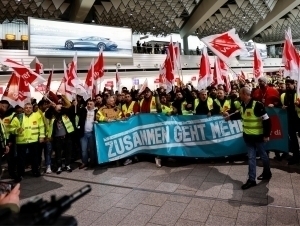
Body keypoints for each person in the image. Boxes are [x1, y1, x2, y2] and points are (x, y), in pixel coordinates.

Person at [224, 87, 272, 190]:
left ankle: (267, 172)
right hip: (248, 137)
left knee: (263, 156)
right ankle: (252, 180)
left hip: (258, 137)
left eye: (240, 94)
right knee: (251, 158)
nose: (239, 96)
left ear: (245, 94)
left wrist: (266, 135)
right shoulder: (243, 105)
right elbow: (240, 115)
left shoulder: (257, 105)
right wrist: (229, 118)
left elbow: (267, 120)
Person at [10, 103, 45, 182]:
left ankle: (35, 171)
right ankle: (20, 174)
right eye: (26, 108)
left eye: (30, 108)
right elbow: (10, 128)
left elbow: (41, 126)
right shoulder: (18, 117)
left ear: (32, 109)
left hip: (34, 140)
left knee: (34, 158)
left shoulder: (37, 116)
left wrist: (42, 136)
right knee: (21, 159)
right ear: (23, 109)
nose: (28, 109)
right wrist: (16, 130)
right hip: (22, 141)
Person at [280, 79, 300, 164]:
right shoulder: (283, 95)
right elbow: (279, 105)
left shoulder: (298, 94)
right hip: (289, 120)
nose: (287, 86)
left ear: (294, 84)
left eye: (289, 84)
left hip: (298, 119)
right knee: (293, 139)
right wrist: (282, 107)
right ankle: (296, 156)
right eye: (286, 85)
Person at [77, 99, 98, 169]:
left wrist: (97, 121)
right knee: (84, 150)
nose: (89, 105)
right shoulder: (83, 110)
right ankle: (84, 162)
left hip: (92, 133)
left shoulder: (96, 112)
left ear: (94, 105)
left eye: (91, 104)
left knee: (92, 149)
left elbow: (99, 119)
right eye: (88, 104)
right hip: (83, 134)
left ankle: (92, 162)